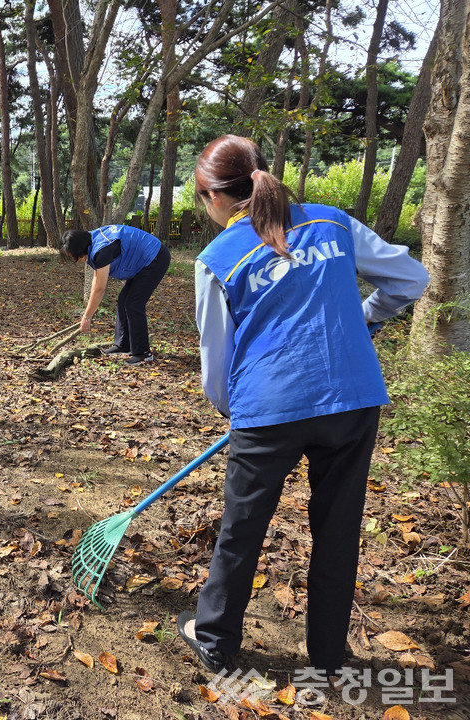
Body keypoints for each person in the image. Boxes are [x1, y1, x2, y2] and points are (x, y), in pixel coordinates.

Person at [178, 135, 429, 676]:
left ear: (213, 197)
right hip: (352, 400)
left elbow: (215, 362)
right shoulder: (333, 223)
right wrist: (367, 315)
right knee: (338, 530)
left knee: (242, 529)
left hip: (268, 408)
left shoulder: (217, 257)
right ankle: (329, 655)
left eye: (202, 199)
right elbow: (411, 278)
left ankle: (216, 638)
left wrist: (231, 410)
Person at [61, 225, 171, 365]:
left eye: (74, 256)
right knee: (124, 300)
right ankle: (123, 345)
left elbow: (100, 288)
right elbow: (96, 279)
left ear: (80, 249)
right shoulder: (92, 241)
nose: (75, 260)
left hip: (155, 258)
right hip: (142, 261)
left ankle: (143, 353)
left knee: (133, 304)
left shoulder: (102, 250)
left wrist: (87, 316)